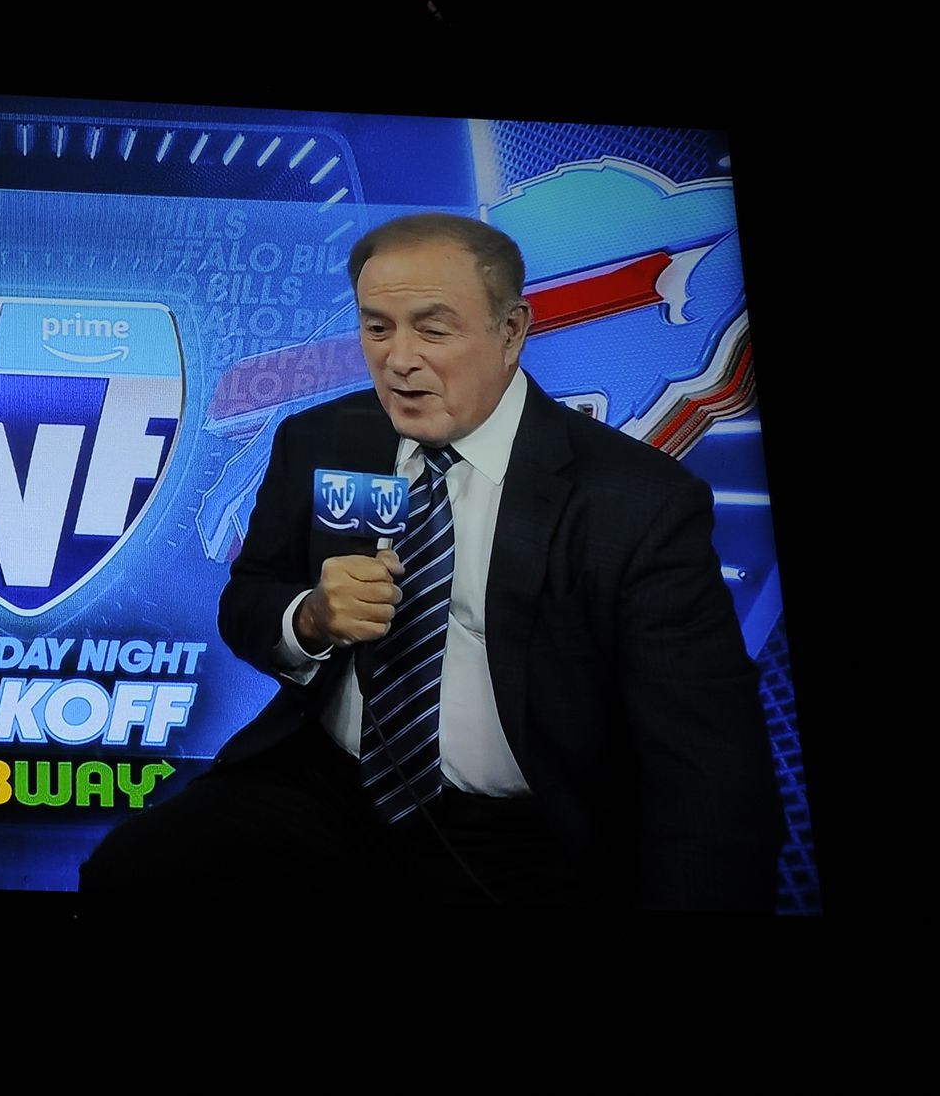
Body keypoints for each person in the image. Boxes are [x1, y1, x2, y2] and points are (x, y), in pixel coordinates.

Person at [81, 212, 780, 909]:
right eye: (377, 327)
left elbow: (708, 759)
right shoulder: (323, 440)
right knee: (133, 871)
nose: (399, 358)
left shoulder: (634, 501)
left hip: (530, 831)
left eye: (433, 329)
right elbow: (248, 601)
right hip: (331, 784)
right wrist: (311, 618)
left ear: (512, 331)